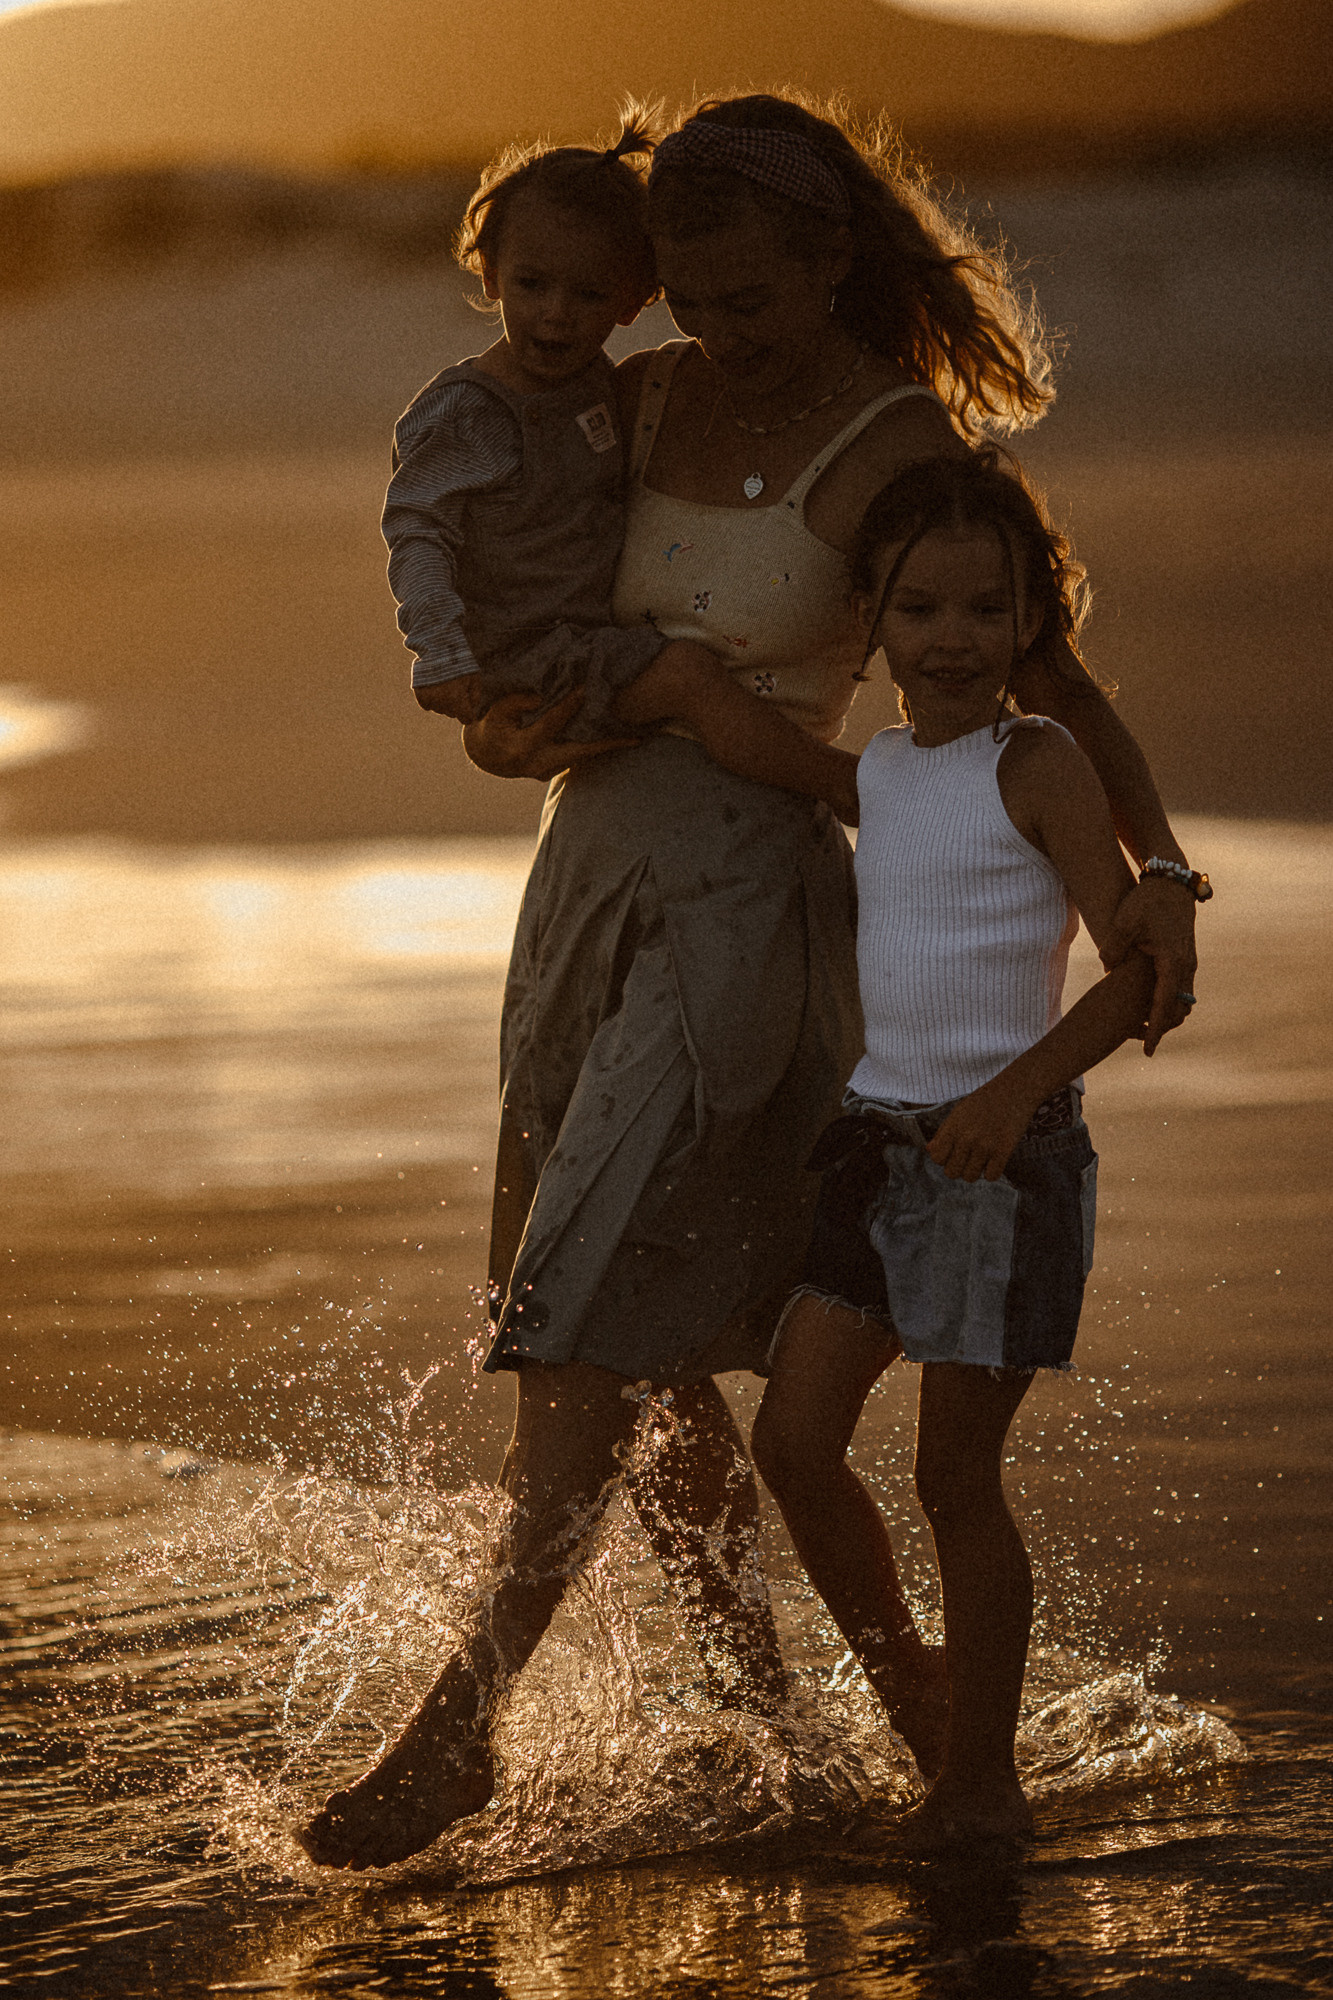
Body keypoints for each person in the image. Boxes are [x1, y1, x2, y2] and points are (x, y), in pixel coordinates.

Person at [298, 94, 1200, 1873]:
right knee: (658, 1353)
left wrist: (1153, 875)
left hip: (746, 920)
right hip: (588, 888)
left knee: (582, 1320)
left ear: (829, 256)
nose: (710, 331)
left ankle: (463, 1726)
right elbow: (534, 592)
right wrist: (511, 709)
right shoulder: (634, 399)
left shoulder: (889, 448)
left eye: (744, 296)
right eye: (686, 297)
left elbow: (1053, 683)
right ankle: (808, 1721)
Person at [752, 450, 1198, 1850]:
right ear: (870, 623)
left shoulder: (1040, 763)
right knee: (795, 1439)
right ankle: (935, 1697)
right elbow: (773, 756)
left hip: (1004, 1164)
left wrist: (1012, 1095)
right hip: (879, 1156)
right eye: (918, 611)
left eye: (982, 612)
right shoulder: (881, 769)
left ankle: (979, 1788)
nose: (949, 640)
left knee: (955, 1480)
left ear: (1026, 626)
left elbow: (1133, 972)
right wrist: (654, 694)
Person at [390, 117, 857, 813]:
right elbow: (418, 532)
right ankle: (856, 794)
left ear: (636, 299)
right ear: (489, 275)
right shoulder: (471, 413)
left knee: (687, 673)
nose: (555, 315)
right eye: (532, 285)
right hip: (527, 654)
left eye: (587, 295)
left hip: (586, 642)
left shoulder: (611, 389)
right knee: (689, 677)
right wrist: (440, 654)